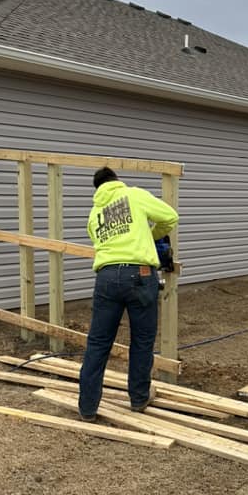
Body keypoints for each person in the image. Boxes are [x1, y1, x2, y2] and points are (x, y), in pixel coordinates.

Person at [78, 167, 179, 421]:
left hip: (106, 278)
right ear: (117, 182)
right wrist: (150, 234)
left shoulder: (94, 214)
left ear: (98, 189)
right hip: (140, 275)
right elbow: (170, 217)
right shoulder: (133, 195)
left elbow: (99, 243)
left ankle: (87, 408)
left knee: (98, 343)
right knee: (142, 341)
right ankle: (138, 398)